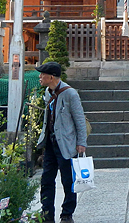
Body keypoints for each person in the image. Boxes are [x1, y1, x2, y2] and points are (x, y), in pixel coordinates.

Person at [36, 62, 87, 223]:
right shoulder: (47, 92)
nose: (39, 77)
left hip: (67, 143)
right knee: (46, 179)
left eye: (42, 74)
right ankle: (46, 214)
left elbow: (79, 119)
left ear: (51, 77)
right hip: (50, 143)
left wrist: (81, 142)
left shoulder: (70, 94)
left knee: (68, 181)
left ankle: (67, 214)